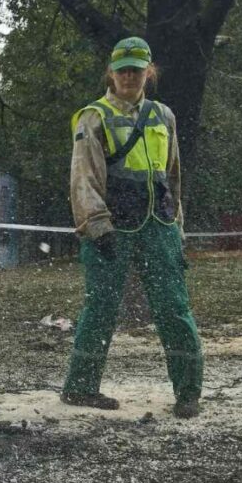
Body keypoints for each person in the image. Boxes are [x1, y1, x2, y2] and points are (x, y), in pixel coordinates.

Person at [62, 36, 203, 418]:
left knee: (173, 307)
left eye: (136, 69)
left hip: (159, 224)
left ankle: (188, 391)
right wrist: (95, 225)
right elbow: (83, 176)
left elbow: (173, 175)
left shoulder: (163, 116)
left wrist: (178, 227)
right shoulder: (94, 116)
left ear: (148, 71)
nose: (129, 76)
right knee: (102, 306)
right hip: (111, 225)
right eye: (122, 69)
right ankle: (81, 386)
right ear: (111, 72)